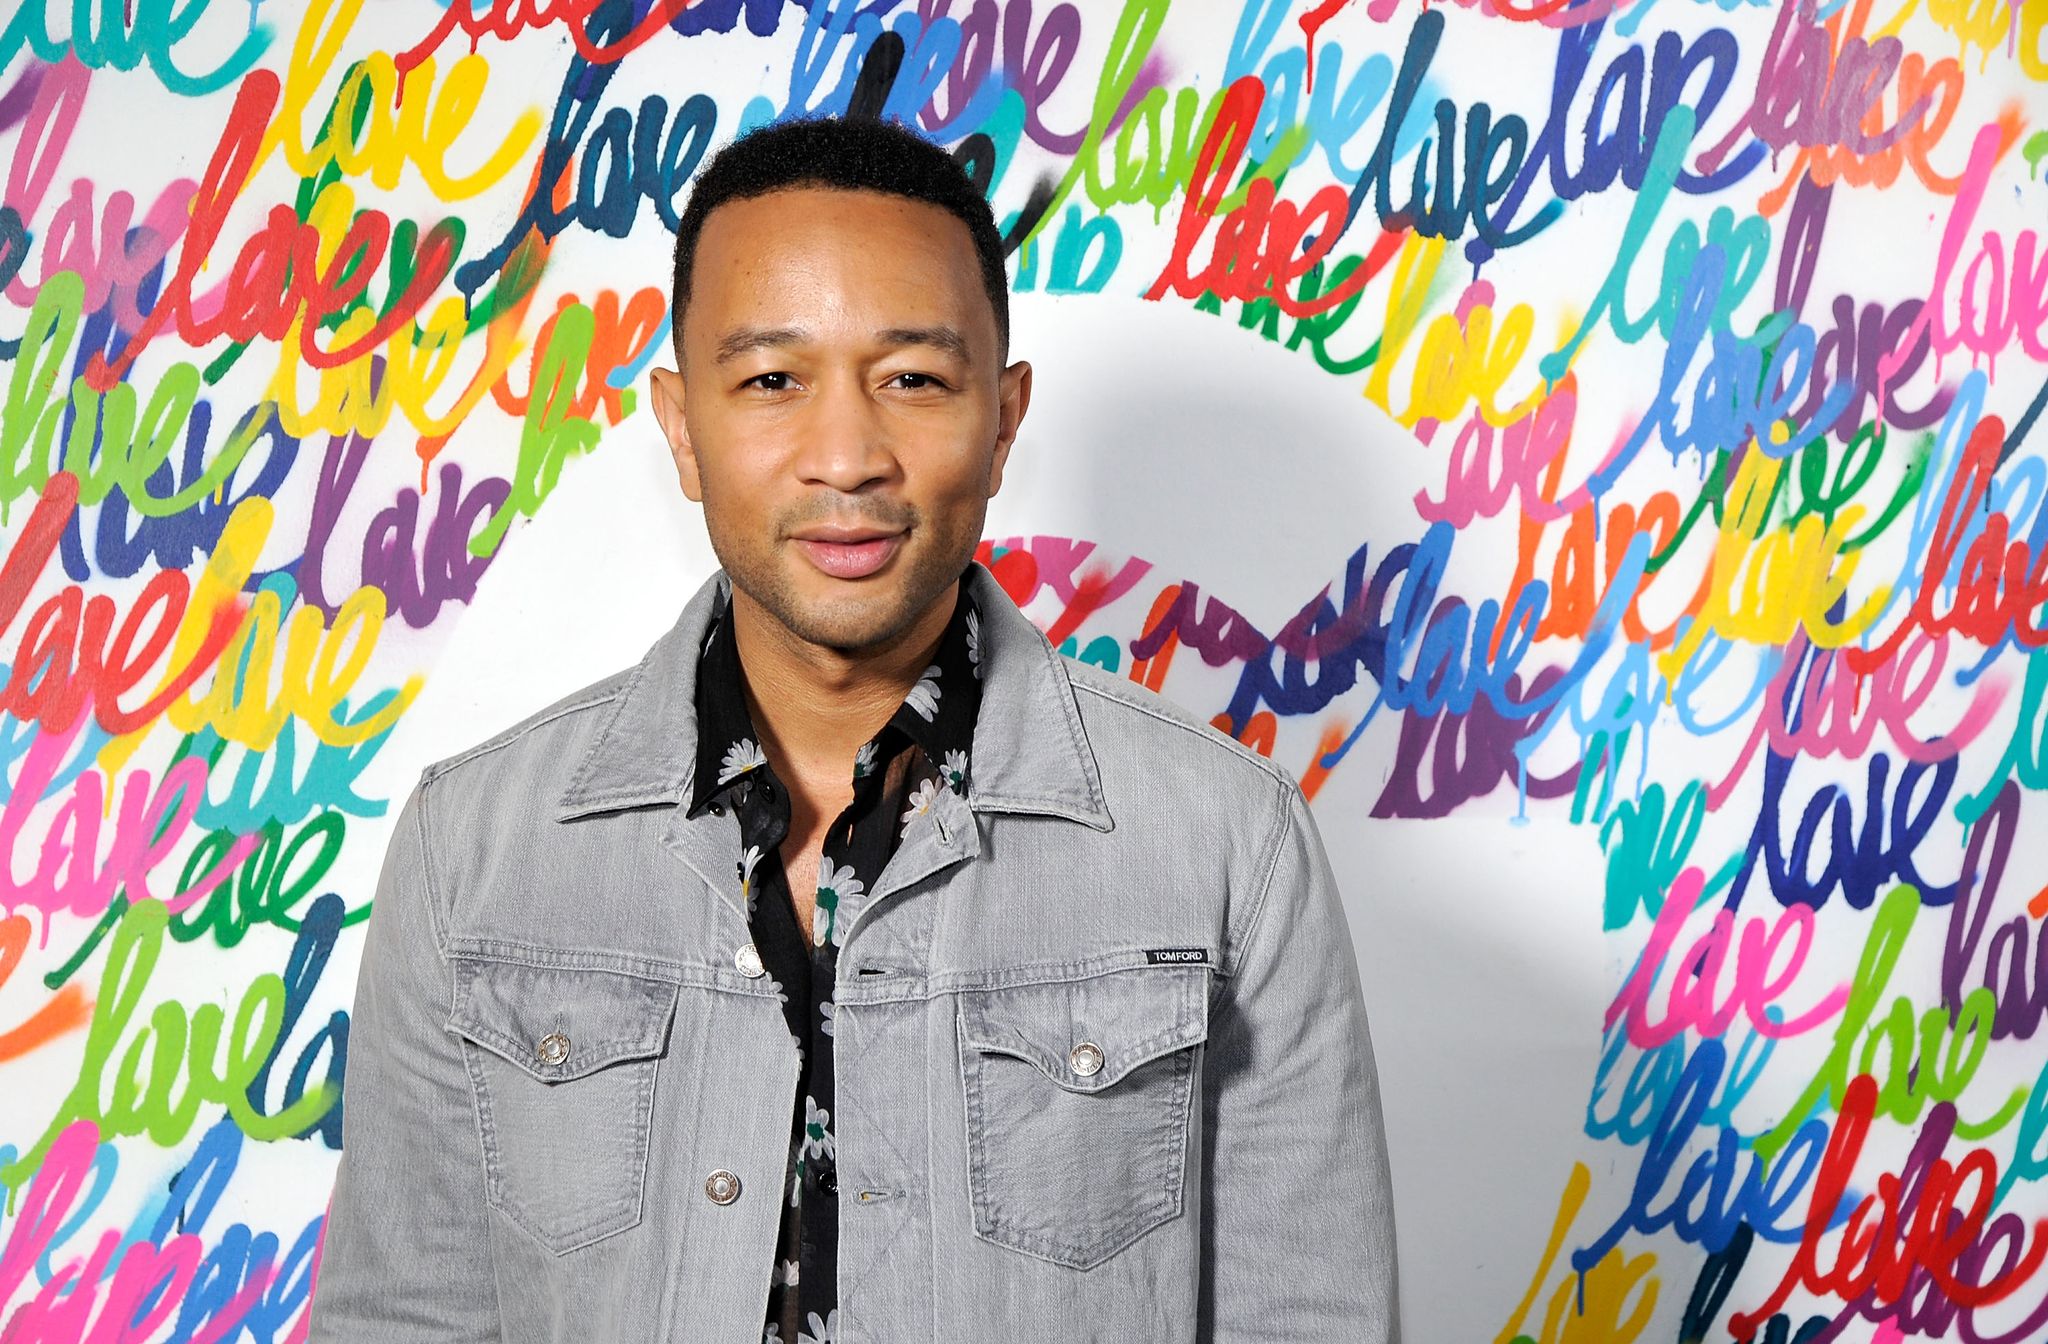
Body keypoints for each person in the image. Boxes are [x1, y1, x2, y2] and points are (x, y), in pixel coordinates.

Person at [310, 113, 1400, 1344]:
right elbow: (401, 1314)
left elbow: (1311, 1318)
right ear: (680, 425)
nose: (846, 456)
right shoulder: (475, 848)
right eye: (771, 379)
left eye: (915, 379)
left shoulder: (1223, 843)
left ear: (1000, 419)